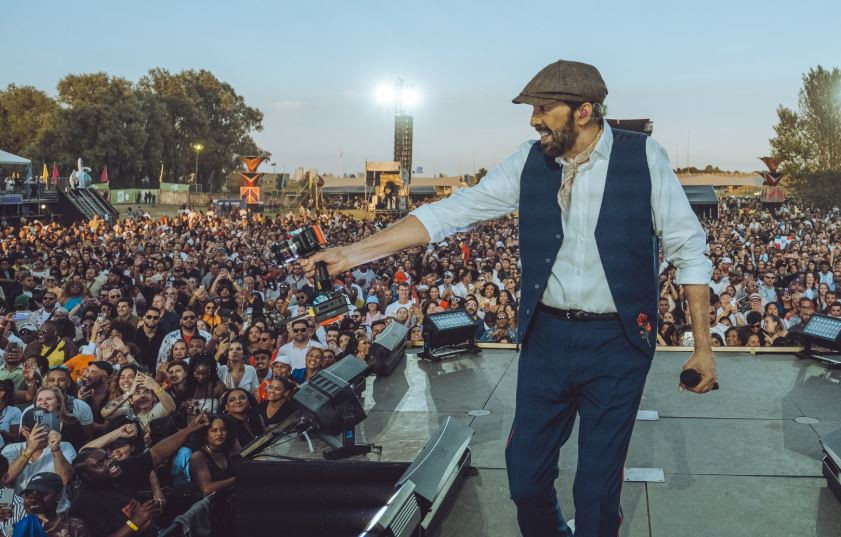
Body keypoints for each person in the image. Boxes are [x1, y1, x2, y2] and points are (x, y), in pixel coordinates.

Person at [301, 60, 716, 537]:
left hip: (618, 344)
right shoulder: (528, 161)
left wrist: (702, 349)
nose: (534, 120)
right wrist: (351, 254)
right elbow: (450, 213)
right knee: (525, 478)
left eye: (543, 109)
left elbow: (689, 250)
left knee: (596, 489)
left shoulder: (643, 156)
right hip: (547, 337)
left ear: (583, 112)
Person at [69, 414, 210, 537]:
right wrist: (135, 523)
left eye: (106, 457)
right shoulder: (83, 504)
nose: (109, 462)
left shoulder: (120, 470)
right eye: (100, 464)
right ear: (88, 477)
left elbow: (156, 455)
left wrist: (189, 429)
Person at [14, 472, 92, 537]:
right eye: (28, 495)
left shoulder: (74, 526)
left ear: (58, 495)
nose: (33, 500)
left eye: (41, 494)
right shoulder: (18, 525)